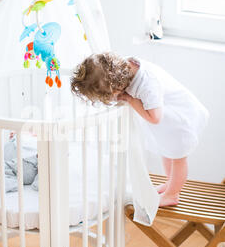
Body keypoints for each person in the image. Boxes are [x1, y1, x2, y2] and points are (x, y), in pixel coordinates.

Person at [70, 52, 209, 207]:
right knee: (167, 153)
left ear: (117, 87)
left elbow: (155, 117)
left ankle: (173, 194)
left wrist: (131, 100)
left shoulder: (148, 83)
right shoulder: (123, 68)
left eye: (110, 96)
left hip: (182, 119)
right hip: (169, 120)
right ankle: (171, 184)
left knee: (178, 158)